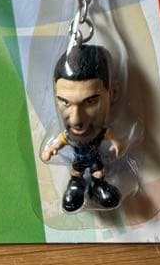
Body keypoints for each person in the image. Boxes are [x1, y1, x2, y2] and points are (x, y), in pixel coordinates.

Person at [41, 44, 124, 212]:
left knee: (98, 173)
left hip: (94, 159)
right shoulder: (69, 136)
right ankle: (75, 186)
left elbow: (110, 136)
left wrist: (117, 143)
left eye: (90, 102)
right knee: (76, 173)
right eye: (65, 102)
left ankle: (98, 186)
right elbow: (59, 141)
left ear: (113, 92)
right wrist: (50, 150)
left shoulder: (99, 132)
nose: (76, 120)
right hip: (79, 161)